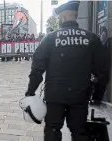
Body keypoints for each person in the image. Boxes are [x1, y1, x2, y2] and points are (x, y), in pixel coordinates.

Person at [24, 1, 109, 141]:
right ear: (75, 16)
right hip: (80, 96)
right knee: (79, 132)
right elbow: (103, 73)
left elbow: (37, 69)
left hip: (54, 96)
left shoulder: (50, 39)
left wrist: (30, 92)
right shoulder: (91, 38)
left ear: (63, 18)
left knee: (52, 129)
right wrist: (97, 97)